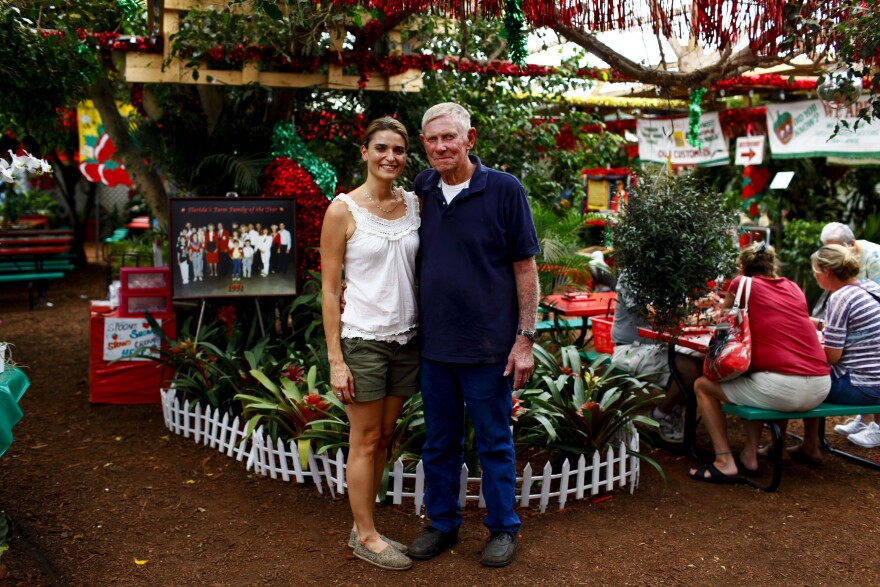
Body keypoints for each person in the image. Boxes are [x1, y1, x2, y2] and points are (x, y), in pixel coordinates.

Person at [407, 102, 539, 568]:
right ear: (424, 144)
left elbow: (525, 267)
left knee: (494, 441)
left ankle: (503, 528)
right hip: (437, 347)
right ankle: (443, 525)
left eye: (449, 137)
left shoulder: (503, 189)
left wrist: (525, 337)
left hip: (489, 348)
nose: (441, 146)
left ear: (470, 139)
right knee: (439, 442)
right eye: (432, 139)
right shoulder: (423, 187)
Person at [320, 116, 419, 571]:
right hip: (363, 339)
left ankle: (367, 524)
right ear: (364, 152)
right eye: (381, 148)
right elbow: (328, 288)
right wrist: (336, 361)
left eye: (398, 150)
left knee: (383, 440)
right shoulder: (343, 210)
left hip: (407, 339)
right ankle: (365, 535)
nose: (390, 157)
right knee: (363, 440)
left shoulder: (415, 204)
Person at [687, 242, 830, 483]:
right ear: (772, 265)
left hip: (782, 388)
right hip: (820, 386)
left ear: (742, 267)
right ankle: (750, 455)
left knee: (702, 385)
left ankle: (724, 461)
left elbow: (724, 321)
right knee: (754, 378)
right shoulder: (794, 288)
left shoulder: (741, 283)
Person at [610, 273, 704, 443]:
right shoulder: (631, 277)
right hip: (630, 349)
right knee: (689, 368)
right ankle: (659, 416)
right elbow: (654, 316)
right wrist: (694, 306)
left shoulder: (669, 276)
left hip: (660, 346)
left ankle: (670, 411)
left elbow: (680, 316)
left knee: (700, 362)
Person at [804, 244, 880, 449]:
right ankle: (865, 421)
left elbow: (832, 357)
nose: (814, 276)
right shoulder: (870, 287)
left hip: (861, 387)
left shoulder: (839, 297)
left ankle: (807, 446)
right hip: (876, 381)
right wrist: (815, 323)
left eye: (815, 271)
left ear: (827, 272)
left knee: (798, 381)